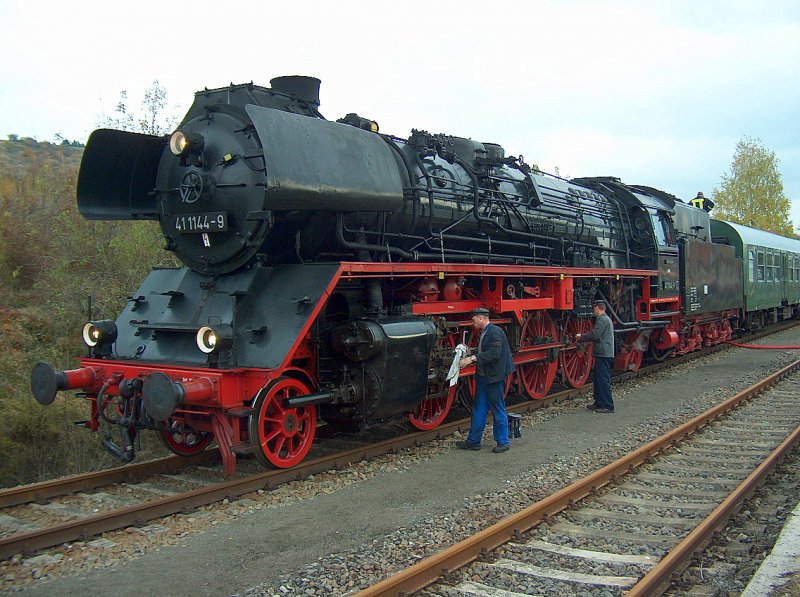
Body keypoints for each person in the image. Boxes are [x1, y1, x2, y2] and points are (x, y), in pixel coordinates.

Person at [455, 308, 516, 453]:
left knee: (497, 408)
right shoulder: (486, 332)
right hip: (484, 377)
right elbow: (485, 351)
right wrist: (472, 352)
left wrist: (471, 358)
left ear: (481, 318)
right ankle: (473, 441)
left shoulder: (495, 332)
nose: (472, 322)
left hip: (494, 377)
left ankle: (503, 441)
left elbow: (494, 353)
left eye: (473, 319)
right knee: (479, 410)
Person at [575, 300, 615, 413]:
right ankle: (599, 402)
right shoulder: (605, 319)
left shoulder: (602, 320)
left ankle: (607, 405)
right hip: (602, 353)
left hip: (604, 353)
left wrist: (581, 337)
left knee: (603, 380)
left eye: (594, 309)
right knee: (598, 379)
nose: (593, 311)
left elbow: (595, 335)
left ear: (597, 307)